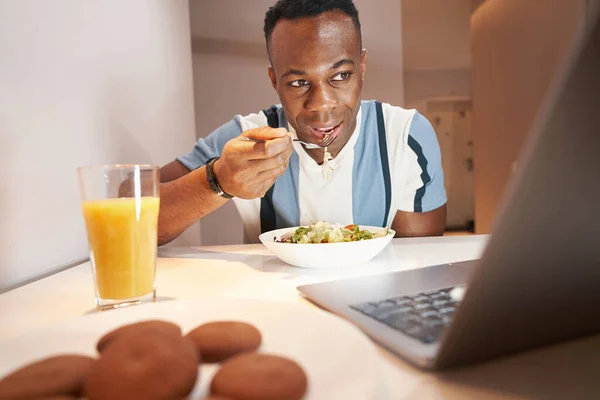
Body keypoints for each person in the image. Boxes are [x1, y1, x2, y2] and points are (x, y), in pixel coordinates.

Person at [157, 0, 447, 245]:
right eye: (298, 82)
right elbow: (129, 209)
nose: (321, 103)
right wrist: (218, 181)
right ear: (274, 81)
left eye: (341, 76)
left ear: (362, 68)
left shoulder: (406, 137)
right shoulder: (247, 140)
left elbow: (416, 262)